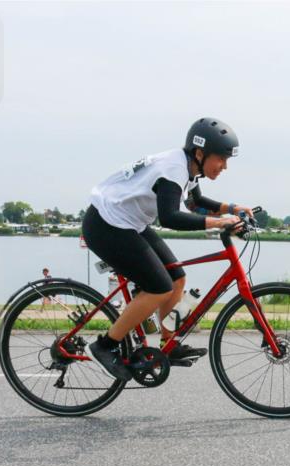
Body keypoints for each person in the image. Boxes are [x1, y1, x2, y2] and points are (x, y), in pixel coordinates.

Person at [82, 117, 252, 380]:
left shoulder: (188, 168)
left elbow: (195, 203)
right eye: (221, 158)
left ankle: (168, 344)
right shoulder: (173, 169)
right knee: (158, 287)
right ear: (200, 153)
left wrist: (231, 209)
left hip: (130, 224)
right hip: (106, 224)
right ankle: (105, 346)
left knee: (176, 278)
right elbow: (170, 217)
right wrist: (219, 223)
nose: (224, 166)